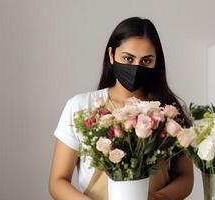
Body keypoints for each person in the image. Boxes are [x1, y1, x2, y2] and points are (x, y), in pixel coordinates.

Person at [49, 17, 194, 200]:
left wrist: (157, 198)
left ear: (156, 62)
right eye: (128, 58)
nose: (136, 68)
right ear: (111, 55)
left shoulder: (171, 110)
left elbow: (185, 177)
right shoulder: (80, 106)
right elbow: (58, 181)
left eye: (146, 61)